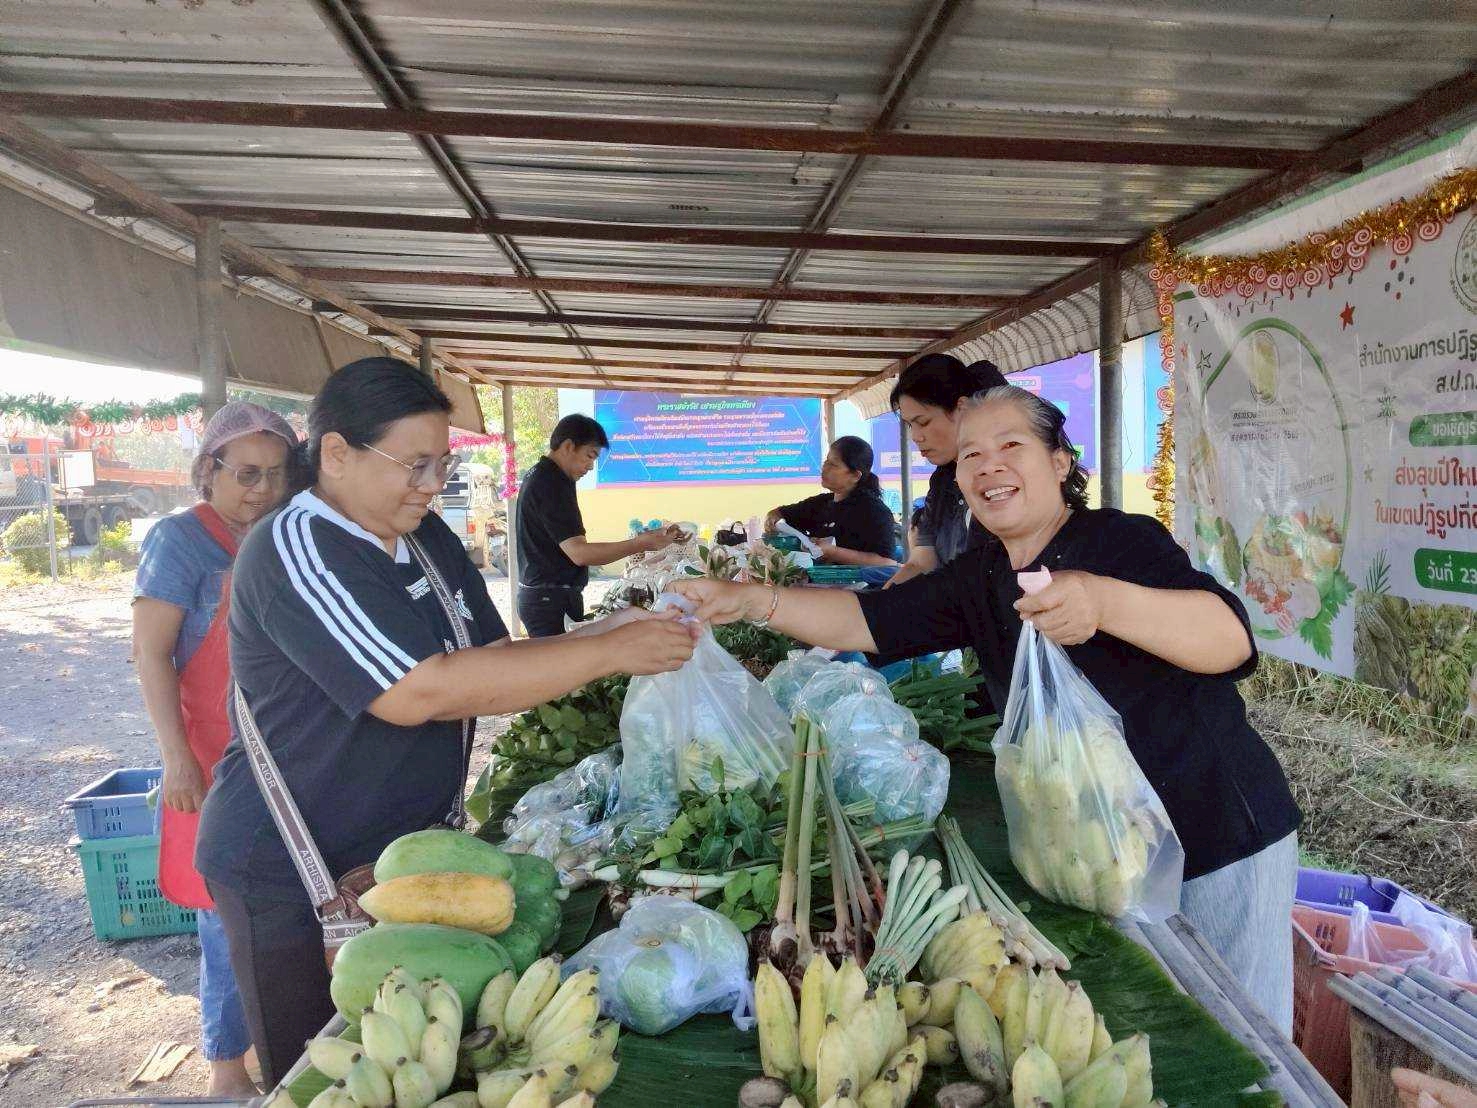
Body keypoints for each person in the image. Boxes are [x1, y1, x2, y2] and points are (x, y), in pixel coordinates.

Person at [675, 384, 1302, 1032]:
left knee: (1247, 1043)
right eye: (970, 454)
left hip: (1214, 828)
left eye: (1011, 445)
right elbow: (868, 619)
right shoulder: (982, 574)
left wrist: (1103, 601)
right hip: (1108, 848)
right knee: (1164, 1031)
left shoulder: (1118, 542)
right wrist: (751, 601)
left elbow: (1229, 640)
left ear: (1059, 460)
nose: (987, 465)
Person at [195, 359, 696, 1084]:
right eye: (415, 464)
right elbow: (416, 691)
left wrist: (611, 629)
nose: (433, 484)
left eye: (442, 464)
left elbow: (493, 661)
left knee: (412, 1067)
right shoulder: (297, 545)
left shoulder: (424, 539)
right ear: (335, 454)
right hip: (291, 865)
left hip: (402, 855)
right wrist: (613, 654)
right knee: (321, 1076)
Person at [132, 400, 298, 1098]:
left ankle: (283, 1051)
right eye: (246, 473)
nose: (261, 489)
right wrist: (176, 759)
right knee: (226, 912)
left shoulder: (290, 534)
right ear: (208, 471)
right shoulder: (181, 542)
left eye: (276, 474)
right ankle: (227, 1070)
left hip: (292, 752)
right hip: (214, 758)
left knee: (294, 907)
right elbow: (150, 656)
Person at [515, 413, 684, 636]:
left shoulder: (543, 476)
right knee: (561, 669)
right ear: (568, 446)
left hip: (545, 597)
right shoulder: (551, 483)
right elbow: (580, 553)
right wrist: (640, 543)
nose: (591, 467)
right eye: (589, 456)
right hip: (548, 601)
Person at [886, 354, 1009, 588]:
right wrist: (881, 604)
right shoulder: (942, 483)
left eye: (923, 422)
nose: (916, 437)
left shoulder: (1006, 481)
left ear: (961, 409)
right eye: (910, 425)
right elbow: (922, 564)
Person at [766, 436, 898, 566]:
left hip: (860, 586)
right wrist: (772, 519)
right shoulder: (820, 504)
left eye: (833, 465)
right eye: (826, 461)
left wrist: (834, 552)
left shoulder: (875, 511)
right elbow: (780, 513)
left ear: (855, 475)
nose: (824, 468)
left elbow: (886, 562)